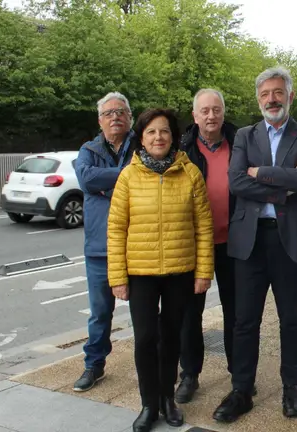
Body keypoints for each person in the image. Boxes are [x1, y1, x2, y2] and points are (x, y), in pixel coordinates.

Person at [212, 66, 297, 423]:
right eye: (265, 94)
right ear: (258, 99)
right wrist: (282, 188)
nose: (271, 99)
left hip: (290, 240)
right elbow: (235, 183)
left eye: (278, 92)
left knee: (291, 318)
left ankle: (291, 387)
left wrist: (259, 173)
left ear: (290, 96)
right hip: (250, 241)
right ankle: (242, 390)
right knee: (245, 321)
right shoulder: (245, 135)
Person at [107, 108, 215, 432]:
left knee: (171, 338)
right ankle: (148, 404)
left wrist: (203, 273)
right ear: (142, 137)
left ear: (174, 136)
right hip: (140, 273)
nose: (158, 137)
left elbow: (204, 227)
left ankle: (168, 400)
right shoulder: (128, 176)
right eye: (152, 132)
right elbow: (115, 229)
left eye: (164, 131)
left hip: (180, 272)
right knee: (145, 340)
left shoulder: (190, 173)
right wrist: (117, 278)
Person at [174, 88, 239, 403]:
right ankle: (190, 375)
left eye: (216, 109)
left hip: (235, 242)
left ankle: (239, 373)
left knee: (237, 311)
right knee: (190, 313)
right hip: (194, 244)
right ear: (194, 115)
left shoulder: (243, 142)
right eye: (205, 111)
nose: (211, 116)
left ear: (223, 112)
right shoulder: (181, 148)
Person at [72, 92, 136, 392]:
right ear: (100, 120)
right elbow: (86, 180)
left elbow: (148, 177)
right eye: (109, 113)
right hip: (99, 248)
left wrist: (105, 184)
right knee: (100, 313)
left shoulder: (142, 144)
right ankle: (94, 365)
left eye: (121, 112)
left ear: (130, 117)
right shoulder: (88, 149)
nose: (115, 117)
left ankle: (154, 363)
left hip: (137, 244)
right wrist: (125, 177)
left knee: (145, 312)